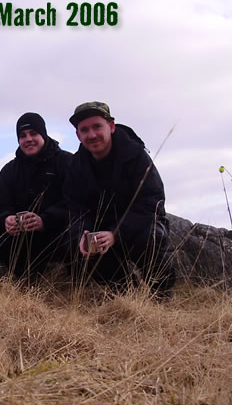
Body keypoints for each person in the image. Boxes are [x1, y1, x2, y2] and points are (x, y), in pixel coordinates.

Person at [64, 101, 175, 296]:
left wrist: (115, 233)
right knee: (78, 248)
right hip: (103, 234)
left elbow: (152, 202)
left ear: (111, 126)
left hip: (139, 227)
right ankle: (125, 293)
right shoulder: (76, 165)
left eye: (97, 126)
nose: (91, 135)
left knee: (150, 238)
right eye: (84, 130)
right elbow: (76, 208)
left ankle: (161, 292)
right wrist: (82, 234)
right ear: (78, 135)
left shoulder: (136, 155)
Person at [0, 112, 72, 281]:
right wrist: (6, 220)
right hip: (23, 238)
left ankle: (74, 283)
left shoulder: (67, 162)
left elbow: (76, 202)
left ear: (43, 134)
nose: (28, 139)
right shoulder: (9, 170)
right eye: (22, 135)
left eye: (34, 133)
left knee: (77, 236)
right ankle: (27, 282)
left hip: (59, 233)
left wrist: (46, 220)